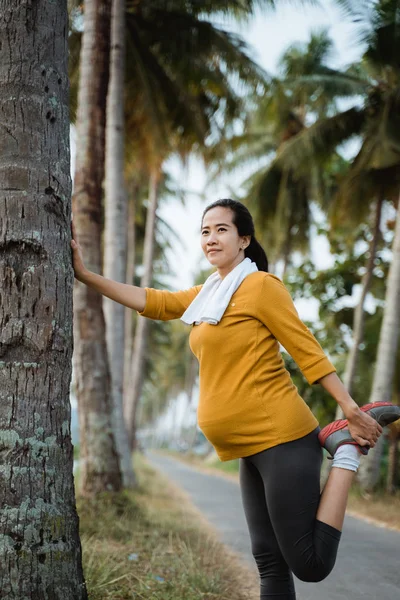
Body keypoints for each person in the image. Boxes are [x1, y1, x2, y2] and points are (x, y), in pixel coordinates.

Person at [71, 198, 400, 600]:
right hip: (247, 446)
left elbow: (306, 349)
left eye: (221, 229)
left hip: (283, 438)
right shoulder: (211, 293)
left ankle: (345, 451)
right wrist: (85, 275)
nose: (211, 238)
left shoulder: (260, 286)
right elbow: (154, 302)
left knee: (309, 565)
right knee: (269, 562)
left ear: (244, 239)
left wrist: (349, 409)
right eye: (205, 231)